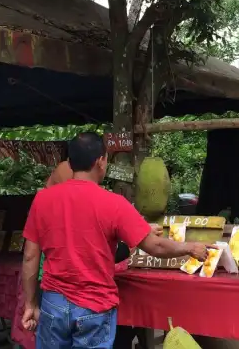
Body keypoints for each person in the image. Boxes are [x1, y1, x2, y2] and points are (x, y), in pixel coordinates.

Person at [21, 132, 212, 349]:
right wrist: (190, 247)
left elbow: (30, 256)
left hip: (53, 304)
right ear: (101, 161)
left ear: (71, 162)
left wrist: (30, 303)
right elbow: (155, 245)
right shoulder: (114, 204)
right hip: (94, 306)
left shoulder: (43, 200)